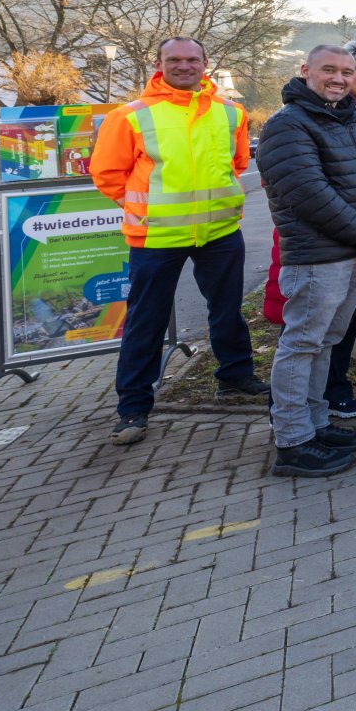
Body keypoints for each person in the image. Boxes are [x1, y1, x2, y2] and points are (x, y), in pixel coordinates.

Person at [257, 44, 356, 478]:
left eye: (346, 72)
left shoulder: (349, 119)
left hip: (352, 255)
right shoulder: (287, 125)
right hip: (317, 258)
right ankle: (293, 442)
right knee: (302, 345)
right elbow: (312, 196)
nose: (339, 78)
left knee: (325, 343)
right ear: (305, 71)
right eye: (328, 70)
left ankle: (315, 425)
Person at [91, 36, 262, 445]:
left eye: (192, 59)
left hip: (219, 232)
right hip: (156, 236)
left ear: (205, 63)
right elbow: (107, 174)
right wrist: (147, 209)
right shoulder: (130, 116)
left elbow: (238, 163)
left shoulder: (231, 113)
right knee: (145, 321)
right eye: (175, 60)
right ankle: (133, 408)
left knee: (227, 311)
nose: (184, 66)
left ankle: (235, 377)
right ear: (159, 63)